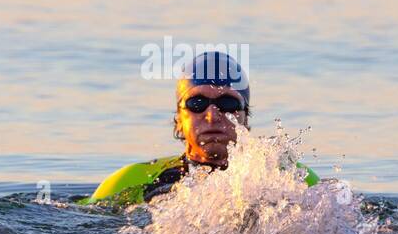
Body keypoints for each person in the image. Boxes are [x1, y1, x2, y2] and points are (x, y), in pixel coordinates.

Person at [82, 51, 318, 205]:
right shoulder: (133, 180)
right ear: (178, 120)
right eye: (197, 103)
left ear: (246, 119)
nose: (212, 115)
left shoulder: (290, 177)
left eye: (227, 103)